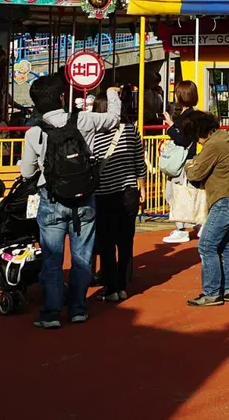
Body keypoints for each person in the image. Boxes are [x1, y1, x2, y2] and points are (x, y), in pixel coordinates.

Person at [18, 73, 120, 329]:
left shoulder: (34, 133)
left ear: (36, 103)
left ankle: (51, 312)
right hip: (84, 197)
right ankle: (77, 308)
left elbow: (27, 172)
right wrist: (112, 93)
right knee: (82, 256)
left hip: (51, 198)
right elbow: (114, 119)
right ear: (62, 97)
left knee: (52, 259)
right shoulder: (84, 119)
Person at [184, 110, 229, 306]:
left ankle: (211, 292)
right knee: (224, 244)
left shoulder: (213, 145)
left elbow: (195, 173)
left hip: (224, 200)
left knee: (206, 245)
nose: (198, 142)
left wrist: (188, 165)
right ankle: (228, 288)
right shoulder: (224, 138)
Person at [91, 88, 145, 303]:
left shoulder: (93, 133)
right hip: (129, 191)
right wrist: (142, 188)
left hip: (103, 194)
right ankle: (122, 285)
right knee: (125, 241)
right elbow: (139, 163)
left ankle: (111, 286)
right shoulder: (130, 130)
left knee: (105, 242)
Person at [162, 80, 203, 244]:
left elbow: (182, 140)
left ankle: (181, 229)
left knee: (174, 194)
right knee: (194, 194)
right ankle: (200, 225)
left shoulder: (184, 118)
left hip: (181, 162)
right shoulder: (197, 116)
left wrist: (171, 126)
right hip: (192, 159)